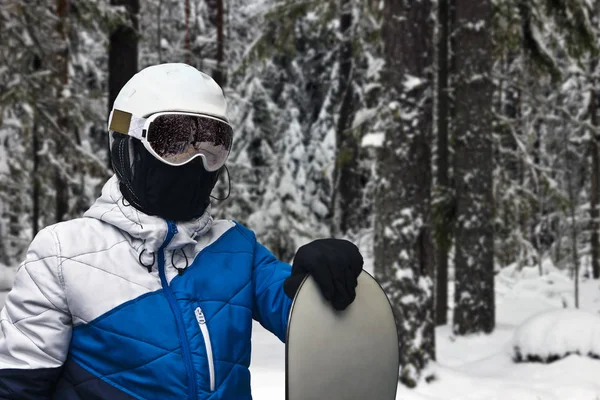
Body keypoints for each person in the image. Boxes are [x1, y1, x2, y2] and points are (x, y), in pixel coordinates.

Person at [0, 63, 363, 399]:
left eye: (213, 144)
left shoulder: (237, 248)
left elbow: (302, 318)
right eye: (173, 141)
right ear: (129, 145)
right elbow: (18, 385)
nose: (196, 161)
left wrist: (319, 281)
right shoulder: (64, 252)